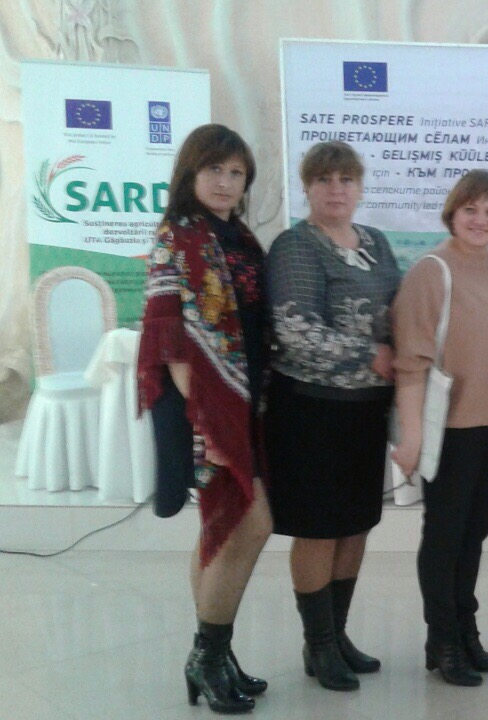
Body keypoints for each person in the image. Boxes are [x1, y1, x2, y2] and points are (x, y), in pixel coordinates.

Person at [138, 123, 273, 714]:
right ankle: (207, 656)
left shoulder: (238, 236)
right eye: (215, 169)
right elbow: (168, 338)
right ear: (190, 173)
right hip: (205, 405)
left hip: (245, 400)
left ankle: (215, 656)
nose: (225, 181)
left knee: (222, 524)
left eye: (236, 172)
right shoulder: (178, 236)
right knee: (249, 520)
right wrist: (209, 423)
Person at [264, 141, 401, 692]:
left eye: (346, 179)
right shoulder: (296, 245)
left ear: (361, 187)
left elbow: (397, 312)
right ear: (307, 187)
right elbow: (293, 329)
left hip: (366, 411)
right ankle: (317, 645)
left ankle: (337, 635)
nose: (336, 189)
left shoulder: (376, 243)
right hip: (311, 411)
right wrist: (370, 354)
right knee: (320, 529)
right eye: (324, 179)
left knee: (356, 523)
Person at [390, 170, 488, 687]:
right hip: (450, 429)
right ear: (452, 212)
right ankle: (443, 639)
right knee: (445, 536)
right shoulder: (432, 270)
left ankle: (465, 630)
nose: (480, 219)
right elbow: (411, 362)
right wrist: (411, 436)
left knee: (474, 533)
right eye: (471, 209)